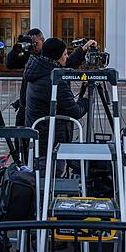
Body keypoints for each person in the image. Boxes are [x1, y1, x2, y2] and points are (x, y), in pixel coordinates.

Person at [24, 38, 89, 175]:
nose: (67, 57)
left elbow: (66, 64)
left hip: (39, 137)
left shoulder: (40, 68)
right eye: (65, 54)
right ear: (57, 57)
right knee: (49, 178)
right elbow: (75, 111)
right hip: (50, 141)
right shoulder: (54, 81)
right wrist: (87, 99)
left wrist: (82, 50)